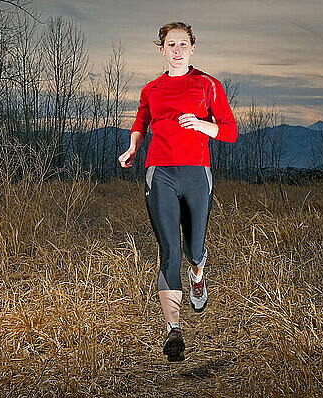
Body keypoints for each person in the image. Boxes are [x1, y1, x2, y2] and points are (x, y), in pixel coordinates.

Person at [118, 22, 238, 362]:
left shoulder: (208, 85)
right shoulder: (151, 89)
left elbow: (230, 132)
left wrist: (200, 124)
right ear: (162, 50)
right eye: (171, 44)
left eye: (183, 44)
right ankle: (174, 330)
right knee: (169, 250)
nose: (177, 50)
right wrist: (132, 149)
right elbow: (140, 124)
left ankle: (198, 272)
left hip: (197, 174)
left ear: (192, 48)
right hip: (160, 172)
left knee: (192, 248)